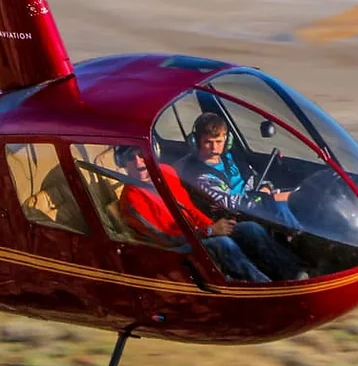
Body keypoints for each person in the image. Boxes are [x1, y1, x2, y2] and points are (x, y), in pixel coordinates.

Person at [115, 145, 299, 283]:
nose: (139, 162)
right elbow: (165, 239)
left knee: (249, 228)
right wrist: (210, 232)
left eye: (141, 154)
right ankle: (264, 286)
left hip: (198, 233)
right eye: (130, 158)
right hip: (173, 248)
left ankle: (294, 273)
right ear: (122, 163)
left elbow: (190, 209)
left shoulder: (166, 172)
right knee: (222, 243)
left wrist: (216, 225)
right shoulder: (131, 201)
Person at [178, 112, 304, 236]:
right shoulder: (198, 175)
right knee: (279, 206)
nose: (214, 147)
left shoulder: (230, 156)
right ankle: (301, 238)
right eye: (208, 142)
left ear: (227, 140)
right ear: (196, 142)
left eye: (219, 141)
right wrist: (268, 199)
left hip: (257, 202)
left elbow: (254, 177)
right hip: (238, 216)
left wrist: (265, 188)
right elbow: (230, 203)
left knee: (299, 202)